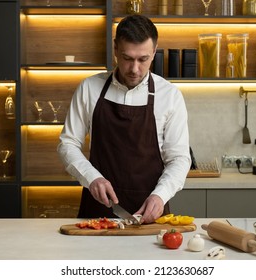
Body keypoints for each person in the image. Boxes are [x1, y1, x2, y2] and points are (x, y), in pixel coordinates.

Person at [57, 14, 190, 224]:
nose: (135, 69)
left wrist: (160, 195)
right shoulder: (89, 88)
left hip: (150, 213)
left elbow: (179, 158)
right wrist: (92, 178)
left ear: (154, 52)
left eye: (143, 59)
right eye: (128, 58)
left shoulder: (170, 96)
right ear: (116, 50)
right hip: (98, 210)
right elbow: (68, 144)